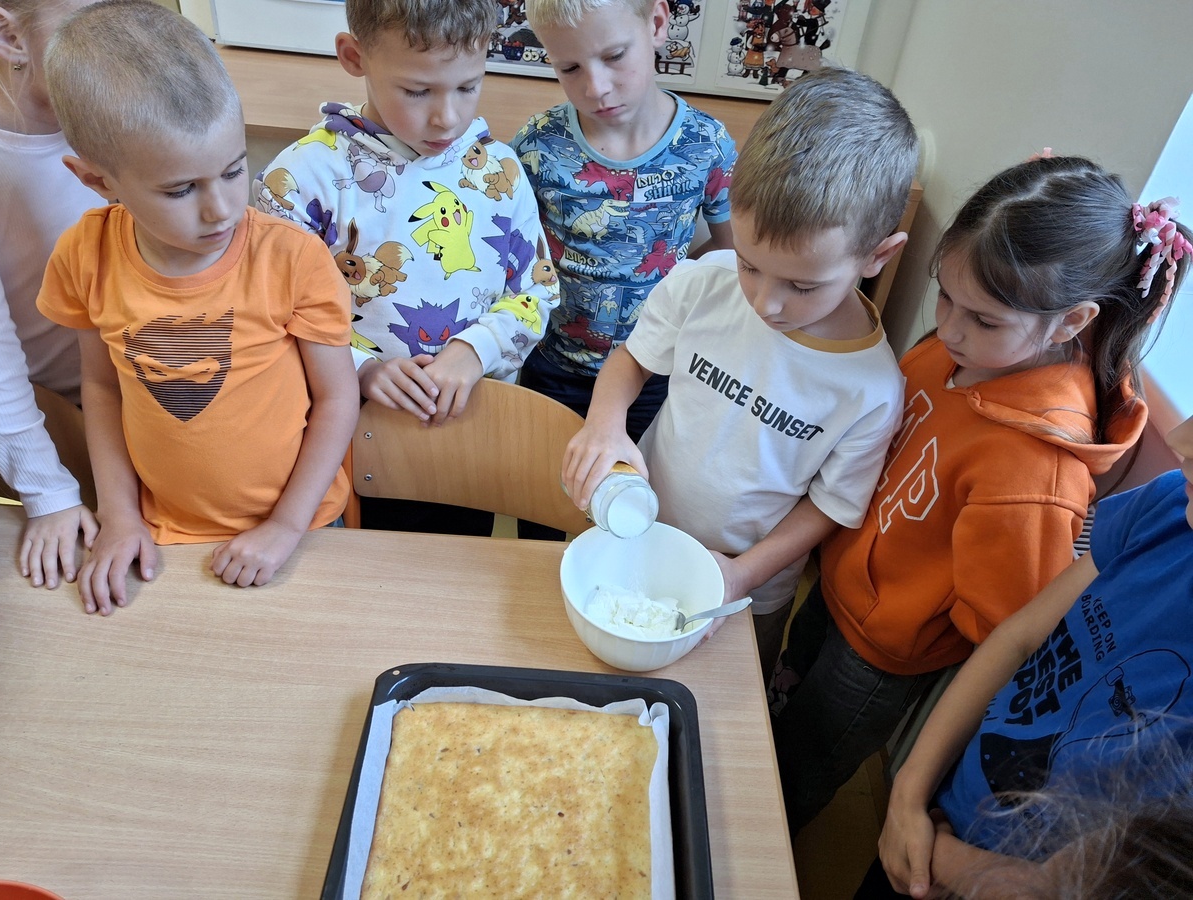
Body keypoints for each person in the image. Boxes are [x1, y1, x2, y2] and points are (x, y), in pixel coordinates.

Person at [770, 157, 1191, 836]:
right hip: (837, 585)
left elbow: (1003, 621)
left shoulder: (1035, 473)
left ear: (1070, 321)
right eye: (946, 297)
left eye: (984, 320)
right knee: (781, 705)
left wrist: (909, 604)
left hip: (881, 654)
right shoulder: (959, 353)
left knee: (800, 766)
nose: (950, 330)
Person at [562, 66, 918, 683]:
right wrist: (605, 425)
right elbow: (631, 360)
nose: (765, 303)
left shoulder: (871, 389)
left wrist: (740, 574)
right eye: (750, 265)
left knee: (728, 699)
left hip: (748, 585)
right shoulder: (705, 282)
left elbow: (830, 506)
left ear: (877, 256)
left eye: (802, 286)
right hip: (641, 536)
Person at [37, 0, 358, 614]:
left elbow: (338, 398)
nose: (221, 209)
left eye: (235, 171)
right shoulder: (85, 254)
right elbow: (101, 389)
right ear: (97, 181)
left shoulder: (290, 257)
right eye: (181, 189)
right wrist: (119, 516)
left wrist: (285, 527)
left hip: (301, 529)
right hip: (162, 536)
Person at [255, 0, 558, 536]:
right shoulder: (301, 180)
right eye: (417, 91)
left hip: (468, 436)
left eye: (468, 86)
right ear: (355, 57)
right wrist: (360, 368)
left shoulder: (501, 172)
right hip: (345, 444)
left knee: (456, 561)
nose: (447, 117)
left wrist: (475, 350)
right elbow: (269, 315)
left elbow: (537, 292)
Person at [869, 413, 1193, 898]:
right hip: (943, 813)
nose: (1179, 439)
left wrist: (936, 858)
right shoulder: (1170, 504)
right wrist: (908, 794)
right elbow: (1020, 637)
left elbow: (1057, 890)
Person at [512, 0, 737, 540]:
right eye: (569, 68)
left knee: (632, 522)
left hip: (655, 378)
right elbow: (515, 257)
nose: (596, 87)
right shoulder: (538, 145)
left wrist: (678, 293)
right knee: (544, 516)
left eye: (614, 56)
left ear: (656, 24)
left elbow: (732, 258)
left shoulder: (706, 145)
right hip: (555, 371)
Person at [0, 0, 100, 589]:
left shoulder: (111, 112)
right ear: (8, 35)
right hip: (56, 421)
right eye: (93, 24)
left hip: (151, 385)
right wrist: (48, 492)